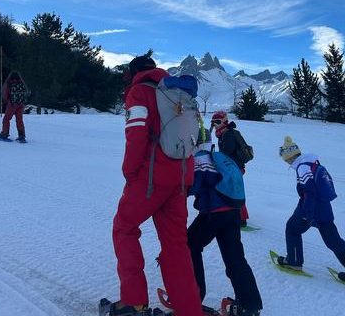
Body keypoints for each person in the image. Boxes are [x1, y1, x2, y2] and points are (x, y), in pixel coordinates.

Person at [110, 54, 204, 316]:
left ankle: (134, 301)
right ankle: (189, 310)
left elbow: (136, 134)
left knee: (124, 228)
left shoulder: (139, 93)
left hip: (151, 178)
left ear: (133, 73)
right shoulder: (176, 91)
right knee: (176, 244)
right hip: (181, 176)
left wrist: (129, 171)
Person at [187, 124, 262, 316]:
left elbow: (191, 186)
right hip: (233, 212)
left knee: (190, 244)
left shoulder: (200, 159)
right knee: (235, 257)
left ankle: (193, 296)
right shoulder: (221, 157)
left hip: (213, 213)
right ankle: (249, 305)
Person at [277, 135, 345, 282]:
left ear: (289, 156)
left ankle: (294, 262)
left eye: (285, 159)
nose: (286, 162)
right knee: (332, 239)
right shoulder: (312, 162)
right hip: (323, 207)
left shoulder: (302, 168)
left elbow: (309, 192)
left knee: (292, 228)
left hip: (311, 208)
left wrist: (307, 214)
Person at [211, 111, 250, 227]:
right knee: (233, 191)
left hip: (235, 168)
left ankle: (241, 219)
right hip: (232, 168)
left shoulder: (228, 134)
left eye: (217, 122)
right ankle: (236, 215)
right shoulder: (223, 133)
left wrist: (216, 157)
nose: (215, 125)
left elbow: (227, 152)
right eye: (213, 123)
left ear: (224, 121)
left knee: (235, 191)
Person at [0, 70, 29, 143]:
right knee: (19, 119)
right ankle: (21, 136)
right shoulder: (21, 82)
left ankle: (4, 134)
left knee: (6, 119)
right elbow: (27, 91)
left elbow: (4, 93)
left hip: (12, 104)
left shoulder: (9, 82)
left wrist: (6, 100)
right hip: (21, 103)